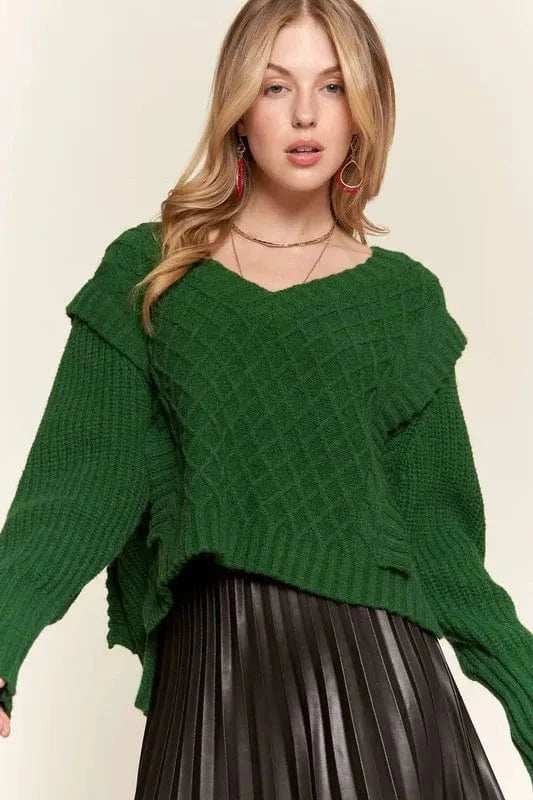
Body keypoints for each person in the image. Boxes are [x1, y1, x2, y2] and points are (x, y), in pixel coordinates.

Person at [1, 1, 532, 797]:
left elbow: (441, 545)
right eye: (276, 86)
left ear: (364, 109)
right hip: (215, 683)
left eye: (333, 86)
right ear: (238, 107)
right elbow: (76, 486)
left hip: (382, 695)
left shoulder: (402, 301)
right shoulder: (151, 275)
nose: (306, 114)